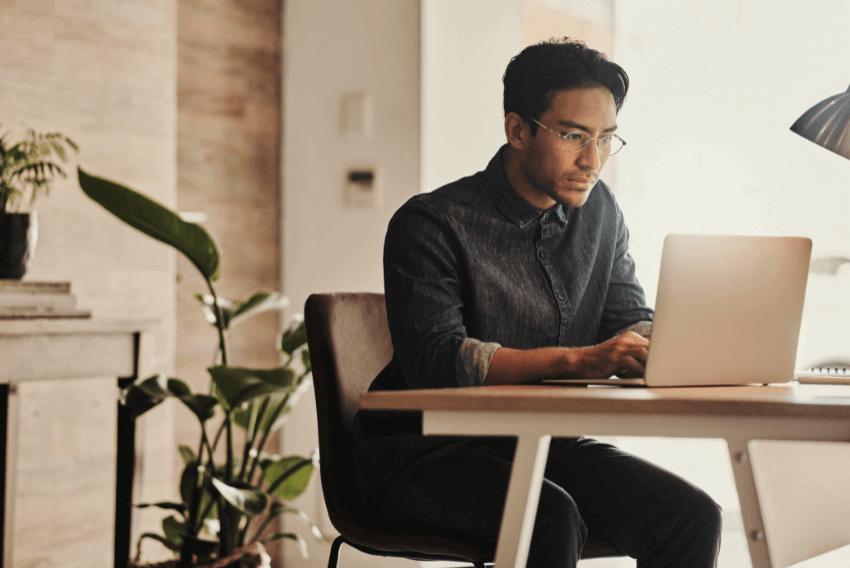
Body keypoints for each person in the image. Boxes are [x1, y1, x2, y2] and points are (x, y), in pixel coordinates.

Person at [352, 38, 722, 567]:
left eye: (606, 138)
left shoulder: (600, 214)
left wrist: (681, 339)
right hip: (422, 454)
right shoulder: (431, 223)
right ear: (518, 130)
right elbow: (438, 363)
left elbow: (626, 320)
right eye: (574, 136)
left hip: (542, 444)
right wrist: (580, 360)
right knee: (547, 516)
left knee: (690, 516)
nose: (593, 160)